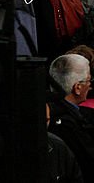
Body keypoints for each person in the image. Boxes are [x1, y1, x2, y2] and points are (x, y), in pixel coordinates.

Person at [48, 53, 94, 182]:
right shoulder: (68, 125)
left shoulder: (45, 112)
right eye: (89, 80)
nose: (90, 86)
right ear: (77, 88)